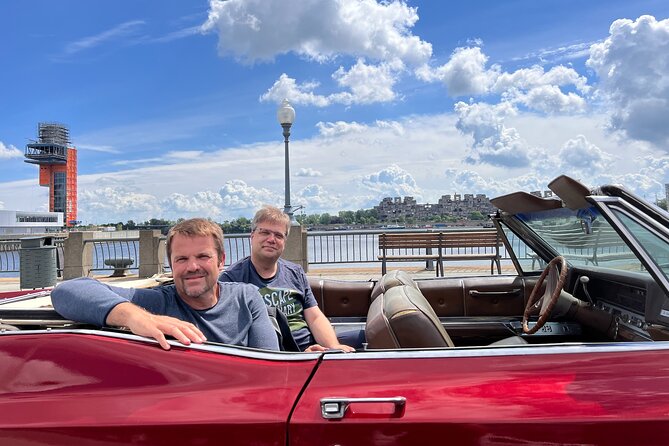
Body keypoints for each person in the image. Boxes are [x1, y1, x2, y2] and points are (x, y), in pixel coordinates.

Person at [51, 218, 279, 351]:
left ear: (221, 260)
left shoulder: (246, 297)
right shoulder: (158, 302)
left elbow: (272, 363)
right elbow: (67, 291)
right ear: (171, 264)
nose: (192, 267)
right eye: (181, 259)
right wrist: (138, 318)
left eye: (202, 256)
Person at [220, 205, 361, 352]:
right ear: (252, 235)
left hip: (313, 350)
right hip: (274, 357)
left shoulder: (295, 272)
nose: (271, 239)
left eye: (278, 235)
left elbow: (314, 318)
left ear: (284, 242)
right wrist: (298, 356)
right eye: (265, 232)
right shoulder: (231, 280)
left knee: (365, 336)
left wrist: (333, 347)